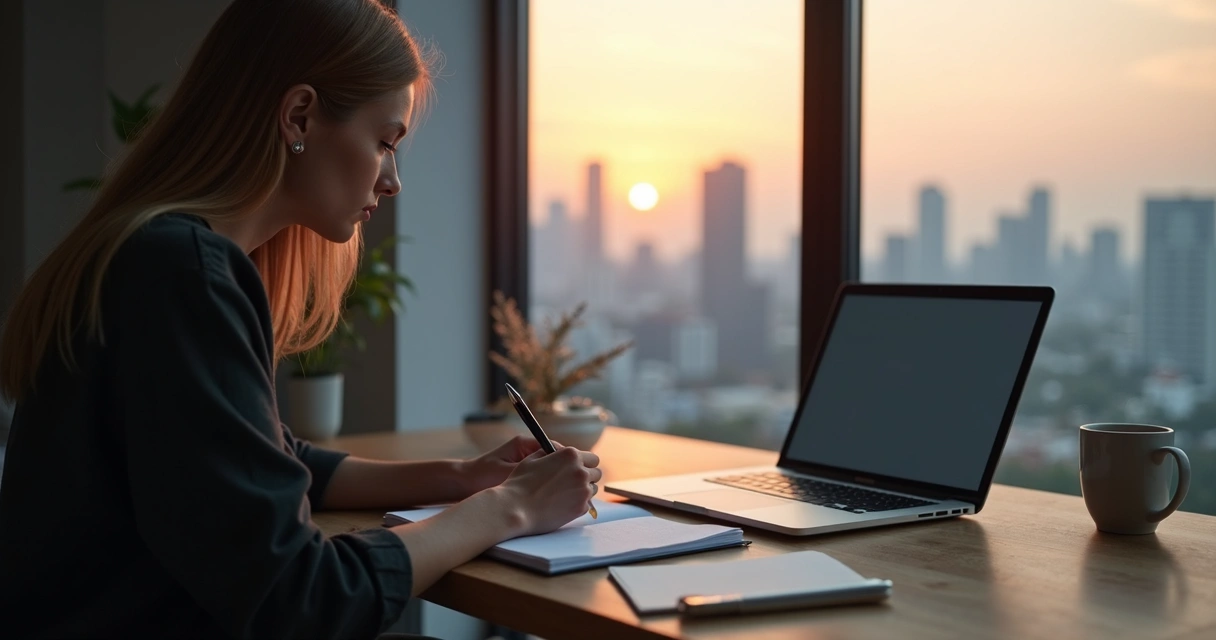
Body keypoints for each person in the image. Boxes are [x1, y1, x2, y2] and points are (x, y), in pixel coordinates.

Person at [0, 1, 600, 638]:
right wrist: (507, 507)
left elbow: (269, 462)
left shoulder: (156, 253)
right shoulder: (184, 274)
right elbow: (300, 598)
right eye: (385, 142)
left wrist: (462, 477)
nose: (393, 180)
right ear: (300, 116)